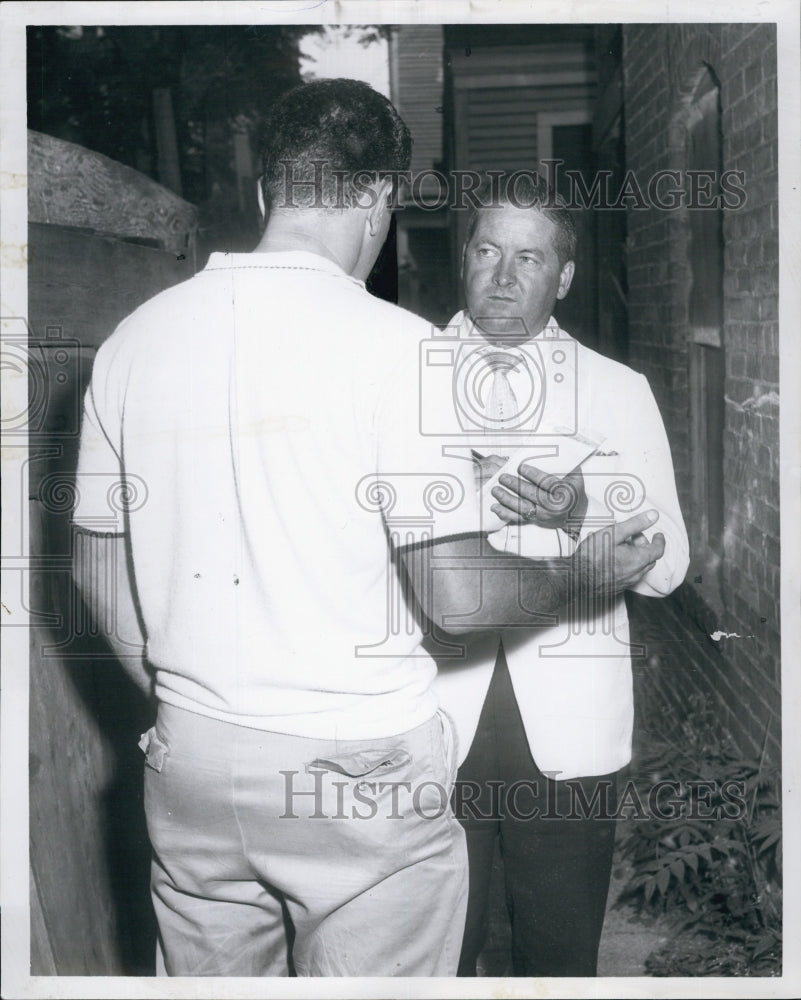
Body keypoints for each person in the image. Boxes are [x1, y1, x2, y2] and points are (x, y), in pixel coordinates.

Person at [71, 80, 665, 978]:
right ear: (380, 199)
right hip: (359, 773)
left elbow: (96, 573)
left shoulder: (131, 340)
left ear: (267, 190)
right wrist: (580, 574)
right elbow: (455, 600)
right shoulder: (401, 351)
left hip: (191, 761)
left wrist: (190, 708)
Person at [431, 171, 690, 977]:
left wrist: (578, 511)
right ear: (463, 259)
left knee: (556, 961)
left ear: (564, 277)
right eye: (487, 251)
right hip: (426, 717)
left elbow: (669, 566)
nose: (504, 277)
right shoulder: (394, 374)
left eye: (530, 258)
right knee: (431, 962)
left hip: (568, 729)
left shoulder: (615, 390)